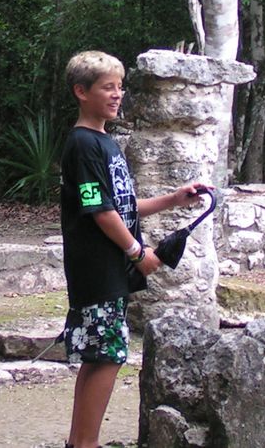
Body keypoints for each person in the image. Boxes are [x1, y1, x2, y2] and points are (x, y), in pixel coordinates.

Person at [59, 50, 207, 448]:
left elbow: (123, 205)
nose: (117, 94)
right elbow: (100, 211)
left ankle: (80, 442)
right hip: (97, 267)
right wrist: (139, 254)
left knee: (102, 354)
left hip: (110, 267)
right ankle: (85, 442)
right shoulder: (83, 144)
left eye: (120, 87)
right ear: (81, 92)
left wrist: (173, 200)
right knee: (107, 354)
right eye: (107, 87)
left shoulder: (105, 142)